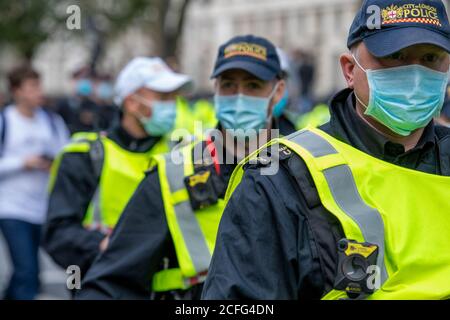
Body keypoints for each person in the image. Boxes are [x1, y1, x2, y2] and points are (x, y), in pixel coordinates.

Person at [203, 0, 450, 300]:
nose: (414, 75)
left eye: (430, 57)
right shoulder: (276, 181)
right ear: (349, 70)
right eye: (395, 56)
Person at [75, 35, 287, 300]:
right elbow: (111, 283)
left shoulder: (301, 170)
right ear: (215, 89)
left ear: (277, 92)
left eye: (253, 85)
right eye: (229, 85)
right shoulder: (174, 173)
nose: (239, 97)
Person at [42, 57, 192, 278]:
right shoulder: (84, 155)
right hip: (104, 286)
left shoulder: (183, 152)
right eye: (163, 97)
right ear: (131, 102)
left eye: (174, 97)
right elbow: (58, 234)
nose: (172, 105)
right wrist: (108, 246)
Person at [0, 65, 69, 300]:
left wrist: (53, 164)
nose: (38, 92)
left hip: (44, 210)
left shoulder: (52, 121)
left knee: (29, 274)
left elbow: (67, 158)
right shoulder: (5, 121)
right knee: (26, 271)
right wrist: (22, 162)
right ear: (17, 91)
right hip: (11, 209)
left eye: (39, 86)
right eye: (32, 87)